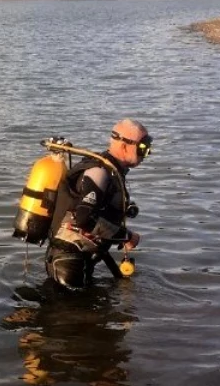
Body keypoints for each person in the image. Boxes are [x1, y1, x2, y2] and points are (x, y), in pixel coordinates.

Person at [45, 119, 151, 291]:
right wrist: (126, 236)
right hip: (69, 262)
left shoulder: (111, 171)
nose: (147, 153)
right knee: (72, 315)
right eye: (143, 148)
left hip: (77, 259)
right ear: (124, 146)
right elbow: (83, 219)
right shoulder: (99, 172)